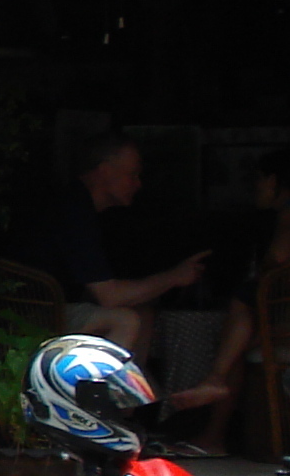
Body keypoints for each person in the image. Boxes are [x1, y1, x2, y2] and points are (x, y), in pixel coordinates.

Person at [166, 149, 290, 428]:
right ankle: (214, 414)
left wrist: (260, 273)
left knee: (242, 308)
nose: (254, 186)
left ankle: (214, 392)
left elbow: (279, 258)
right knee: (239, 340)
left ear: (273, 180)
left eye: (258, 178)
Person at [40, 131, 210, 356]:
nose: (138, 184)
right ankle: (104, 390)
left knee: (142, 312)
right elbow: (110, 296)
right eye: (133, 175)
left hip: (60, 305)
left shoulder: (92, 211)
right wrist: (175, 277)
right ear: (104, 171)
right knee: (125, 320)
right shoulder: (73, 211)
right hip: (35, 312)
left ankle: (138, 387)